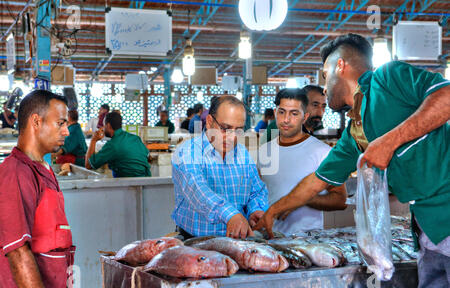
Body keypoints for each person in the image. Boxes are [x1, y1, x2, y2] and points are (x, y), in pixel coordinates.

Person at [254, 33, 450, 288]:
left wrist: (389, 141)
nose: (324, 88)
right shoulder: (354, 131)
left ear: (340, 66)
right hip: (426, 230)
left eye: (325, 75)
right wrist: (272, 211)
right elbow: (316, 181)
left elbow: (446, 96)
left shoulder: (388, 78)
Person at [0, 90, 76, 288]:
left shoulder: (43, 169)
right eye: (60, 123)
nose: (66, 132)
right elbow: (17, 251)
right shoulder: (16, 172)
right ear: (36, 121)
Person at [172, 95, 268, 240]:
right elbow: (198, 190)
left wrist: (256, 210)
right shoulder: (188, 152)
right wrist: (231, 215)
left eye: (238, 130)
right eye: (225, 128)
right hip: (196, 242)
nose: (231, 137)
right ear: (210, 122)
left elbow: (256, 191)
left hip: (237, 240)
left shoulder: (242, 153)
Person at [258, 88, 347, 235]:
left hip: (307, 242)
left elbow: (340, 200)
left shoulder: (323, 152)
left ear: (304, 117)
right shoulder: (265, 151)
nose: (286, 119)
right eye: (282, 112)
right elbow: (260, 193)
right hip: (270, 239)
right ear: (275, 113)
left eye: (294, 113)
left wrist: (302, 199)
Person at [85, 112, 151, 177]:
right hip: (146, 181)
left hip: (128, 184)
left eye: (104, 125)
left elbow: (88, 165)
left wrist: (93, 140)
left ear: (108, 125)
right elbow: (148, 157)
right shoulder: (136, 138)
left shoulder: (112, 145)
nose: (103, 128)